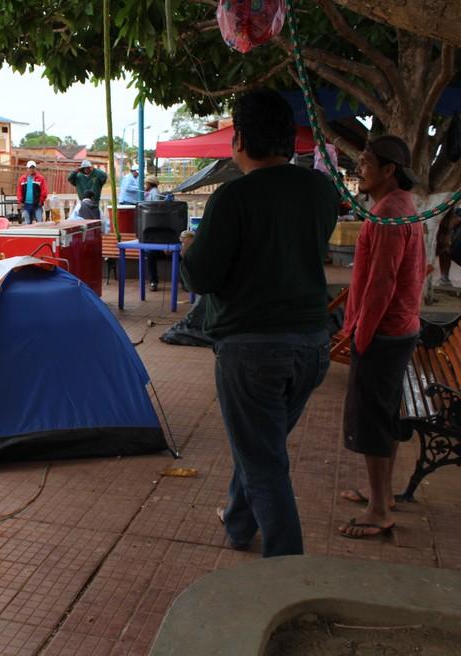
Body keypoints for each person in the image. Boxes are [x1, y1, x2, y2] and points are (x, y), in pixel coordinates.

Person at [179, 88, 339, 557]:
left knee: (264, 460)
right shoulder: (320, 190)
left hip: (252, 350)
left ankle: (287, 569)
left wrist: (190, 248)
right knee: (260, 445)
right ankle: (238, 522)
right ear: (289, 140)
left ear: (241, 140)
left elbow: (201, 277)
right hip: (313, 346)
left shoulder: (233, 197)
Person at [337, 135, 426, 540]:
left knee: (371, 419)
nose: (359, 169)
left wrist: (360, 334)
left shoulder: (389, 213)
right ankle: (382, 495)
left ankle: (378, 510)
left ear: (389, 170)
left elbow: (381, 283)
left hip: (385, 331)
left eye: (366, 163)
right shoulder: (399, 206)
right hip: (399, 327)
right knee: (383, 414)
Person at [435, 206, 461, 285]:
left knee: (445, 251)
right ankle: (444, 277)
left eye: (454, 218)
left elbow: (455, 241)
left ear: (457, 218)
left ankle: (444, 277)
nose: (453, 221)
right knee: (445, 250)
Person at [143, 175, 163, 290]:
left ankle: (153, 281)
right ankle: (153, 281)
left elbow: (153, 207)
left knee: (150, 253)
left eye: (146, 183)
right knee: (150, 253)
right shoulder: (152, 192)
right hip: (153, 234)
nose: (145, 185)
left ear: (150, 184)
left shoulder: (154, 193)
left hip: (157, 234)